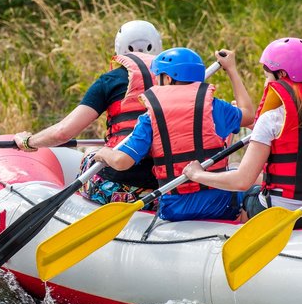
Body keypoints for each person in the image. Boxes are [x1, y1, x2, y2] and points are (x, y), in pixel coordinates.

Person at [93, 47, 255, 221]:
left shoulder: (150, 116)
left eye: (158, 77)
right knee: (251, 190)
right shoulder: (215, 107)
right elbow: (247, 114)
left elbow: (121, 162)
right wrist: (231, 69)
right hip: (221, 204)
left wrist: (104, 152)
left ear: (168, 78)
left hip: (175, 208)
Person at [14, 20, 162, 205]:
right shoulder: (177, 81)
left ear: (120, 48)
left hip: (119, 185)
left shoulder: (110, 81)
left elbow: (63, 133)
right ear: (158, 46)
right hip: (167, 186)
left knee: (90, 154)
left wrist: (28, 142)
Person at [183, 38, 302, 222]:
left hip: (282, 214)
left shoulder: (271, 119)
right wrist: (252, 125)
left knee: (248, 194)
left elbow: (242, 181)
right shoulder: (273, 121)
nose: (265, 82)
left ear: (282, 74)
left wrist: (197, 174)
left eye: (266, 76)